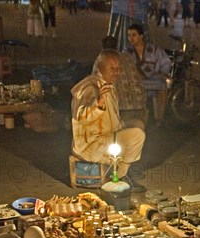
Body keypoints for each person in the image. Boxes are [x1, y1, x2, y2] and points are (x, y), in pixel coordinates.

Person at [71, 50, 147, 192]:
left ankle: (123, 165)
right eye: (112, 68)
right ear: (100, 67)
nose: (117, 72)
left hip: (107, 134)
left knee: (138, 124)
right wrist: (99, 104)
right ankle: (119, 177)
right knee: (138, 135)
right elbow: (81, 117)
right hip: (92, 144)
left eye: (118, 68)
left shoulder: (107, 84)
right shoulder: (89, 87)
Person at [125, 23, 171, 126]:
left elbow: (166, 62)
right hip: (136, 82)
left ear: (141, 36)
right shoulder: (127, 51)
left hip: (153, 80)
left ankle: (158, 118)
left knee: (162, 86)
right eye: (129, 35)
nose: (131, 38)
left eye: (134, 35)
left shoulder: (154, 49)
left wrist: (163, 74)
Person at [101, 36, 147, 130]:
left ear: (103, 48)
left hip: (122, 110)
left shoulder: (103, 60)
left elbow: (96, 81)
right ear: (117, 46)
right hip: (141, 107)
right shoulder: (128, 56)